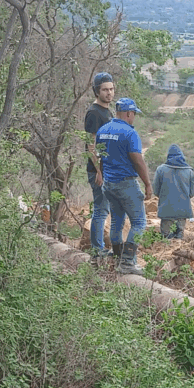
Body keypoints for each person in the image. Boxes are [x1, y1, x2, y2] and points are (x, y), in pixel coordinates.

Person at [96, 97, 153, 275]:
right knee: (139, 222)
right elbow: (138, 160)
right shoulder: (130, 133)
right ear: (129, 113)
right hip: (126, 183)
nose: (133, 117)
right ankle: (128, 262)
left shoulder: (103, 130)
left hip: (109, 184)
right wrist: (148, 184)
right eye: (133, 114)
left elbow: (99, 157)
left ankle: (118, 258)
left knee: (117, 221)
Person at [84, 72, 115, 263]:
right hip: (99, 171)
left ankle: (100, 247)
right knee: (101, 210)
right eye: (105, 89)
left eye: (111, 89)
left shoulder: (107, 112)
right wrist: (99, 171)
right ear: (97, 91)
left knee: (104, 209)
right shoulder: (94, 113)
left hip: (108, 169)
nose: (109, 93)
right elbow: (91, 144)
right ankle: (97, 249)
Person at [152, 144, 194, 240]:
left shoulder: (161, 170)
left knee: (166, 239)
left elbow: (155, 191)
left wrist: (164, 196)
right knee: (179, 238)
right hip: (183, 210)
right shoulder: (189, 171)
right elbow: (192, 193)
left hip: (166, 210)